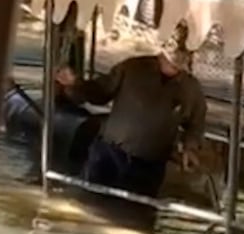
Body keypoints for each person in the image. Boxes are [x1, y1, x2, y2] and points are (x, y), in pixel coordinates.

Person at [55, 39, 207, 198]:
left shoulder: (191, 88)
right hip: (109, 154)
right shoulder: (133, 68)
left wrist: (190, 148)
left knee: (134, 211)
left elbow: (196, 123)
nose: (176, 62)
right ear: (163, 49)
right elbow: (100, 92)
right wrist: (75, 84)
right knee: (89, 201)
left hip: (149, 167)